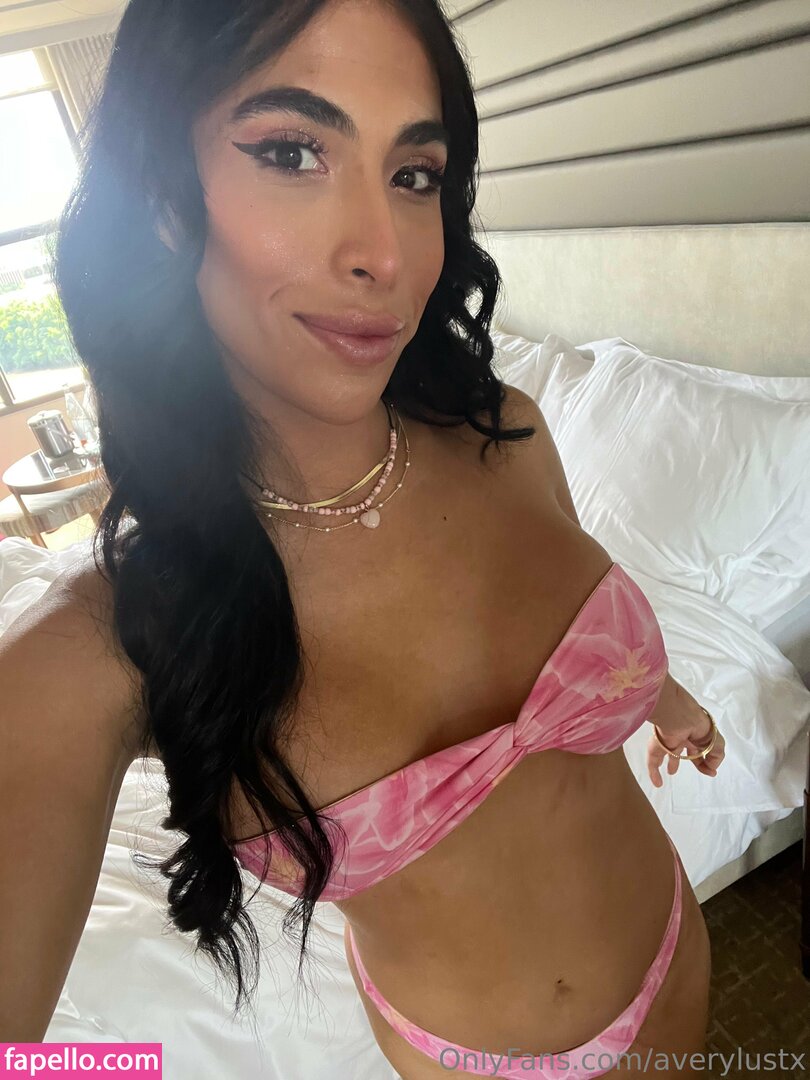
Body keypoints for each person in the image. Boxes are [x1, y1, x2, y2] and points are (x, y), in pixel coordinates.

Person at [0, 0, 726, 1075]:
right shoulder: (109, 644)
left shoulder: (509, 432)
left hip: (677, 947)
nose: (385, 255)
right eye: (292, 151)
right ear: (159, 198)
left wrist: (669, 703)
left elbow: (583, 619)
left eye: (414, 174)